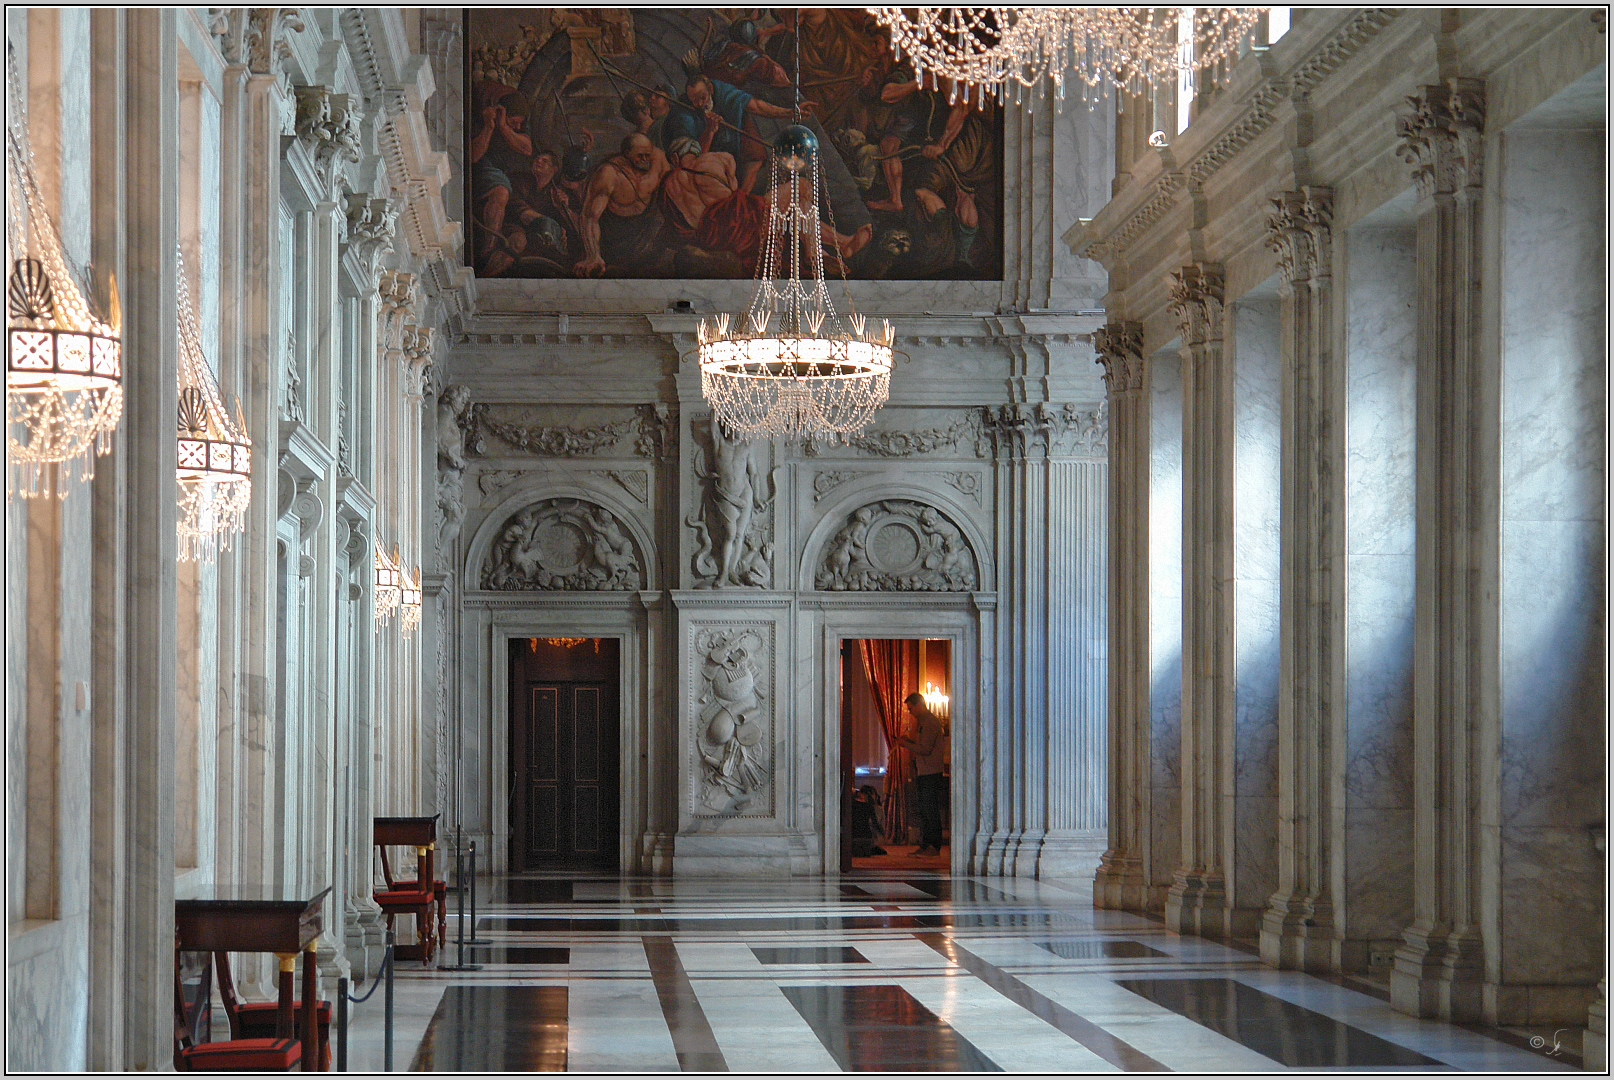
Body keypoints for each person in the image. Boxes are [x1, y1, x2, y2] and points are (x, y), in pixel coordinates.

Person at [896, 691, 948, 855]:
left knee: (930, 809)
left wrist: (906, 745)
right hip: (924, 772)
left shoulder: (930, 722)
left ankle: (934, 845)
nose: (910, 713)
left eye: (911, 709)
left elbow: (925, 749)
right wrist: (910, 742)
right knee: (924, 809)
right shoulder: (923, 722)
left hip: (931, 773)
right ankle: (926, 845)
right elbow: (922, 746)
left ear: (919, 705)